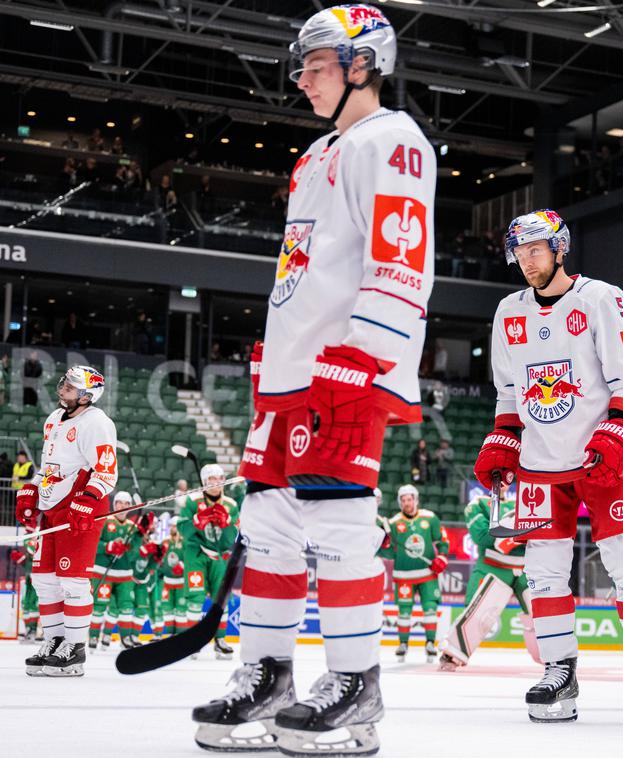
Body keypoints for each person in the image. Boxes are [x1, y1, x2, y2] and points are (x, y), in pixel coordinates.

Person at [192, 7, 435, 754]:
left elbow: (400, 260)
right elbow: (304, 275)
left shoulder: (393, 141)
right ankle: (267, 674)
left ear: (362, 65)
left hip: (345, 370)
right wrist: (277, 363)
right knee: (267, 528)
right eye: (300, 66)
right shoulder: (314, 156)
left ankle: (357, 686)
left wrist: (363, 358)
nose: (301, 78)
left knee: (336, 526)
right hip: (294, 374)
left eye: (317, 64)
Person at [473, 207, 623, 723]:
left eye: (536, 250)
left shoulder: (600, 298)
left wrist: (618, 430)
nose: (527, 261)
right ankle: (559, 672)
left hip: (602, 456)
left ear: (560, 248)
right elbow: (509, 392)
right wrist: (501, 439)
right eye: (520, 253)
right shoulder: (508, 311)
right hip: (539, 465)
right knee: (543, 574)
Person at [16, 365, 118, 677]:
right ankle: (55, 640)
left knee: (73, 581)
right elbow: (48, 468)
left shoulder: (97, 423)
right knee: (44, 580)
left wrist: (87, 500)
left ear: (88, 395)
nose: (63, 388)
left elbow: (106, 471)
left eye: (71, 386)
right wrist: (31, 488)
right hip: (52, 510)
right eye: (64, 383)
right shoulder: (53, 420)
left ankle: (74, 650)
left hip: (81, 510)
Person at [438, 489, 538, 670]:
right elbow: (481, 536)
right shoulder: (478, 503)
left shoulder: (521, 504)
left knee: (542, 613)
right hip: (493, 564)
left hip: (527, 567)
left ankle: (554, 657)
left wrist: (510, 533)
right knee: (477, 612)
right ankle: (452, 654)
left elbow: (539, 534)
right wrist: (516, 532)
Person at [377, 485, 448, 662]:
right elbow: (390, 552)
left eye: (409, 499)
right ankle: (403, 644)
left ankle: (430, 643)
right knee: (404, 611)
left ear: (415, 500)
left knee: (430, 608)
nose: (407, 503)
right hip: (404, 576)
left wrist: (442, 557)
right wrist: (384, 545)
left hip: (427, 574)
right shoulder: (393, 523)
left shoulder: (430, 518)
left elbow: (442, 540)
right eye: (403, 500)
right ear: (399, 502)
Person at [179, 463, 239, 660]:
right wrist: (196, 522)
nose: (215, 483)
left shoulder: (230, 504)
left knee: (221, 600)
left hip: (219, 557)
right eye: (211, 479)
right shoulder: (192, 500)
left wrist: (227, 523)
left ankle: (220, 640)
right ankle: (191, 641)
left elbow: (233, 537)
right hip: (196, 554)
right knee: (195, 599)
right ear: (204, 482)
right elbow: (183, 529)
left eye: (219, 478)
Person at [88, 493, 151, 651]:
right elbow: (92, 544)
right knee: (99, 606)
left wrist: (140, 536)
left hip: (124, 574)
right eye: (119, 503)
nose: (122, 507)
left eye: (126, 503)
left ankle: (125, 638)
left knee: (126, 607)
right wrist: (108, 547)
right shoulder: (103, 521)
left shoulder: (133, 527)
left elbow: (133, 554)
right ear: (114, 505)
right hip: (103, 572)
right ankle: (94, 635)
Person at [158, 528, 188, 637]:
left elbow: (191, 558)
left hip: (181, 582)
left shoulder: (185, 543)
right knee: (167, 609)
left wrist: (183, 566)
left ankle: (181, 636)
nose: (173, 528)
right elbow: (158, 559)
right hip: (167, 582)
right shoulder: (165, 543)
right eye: (171, 526)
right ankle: (170, 634)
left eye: (175, 526)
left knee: (181, 610)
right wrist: (160, 570)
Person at [11, 536, 42, 642]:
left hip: (38, 579)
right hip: (29, 578)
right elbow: (28, 563)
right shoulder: (30, 547)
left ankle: (34, 631)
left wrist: (29, 541)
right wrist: (20, 559)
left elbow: (31, 548)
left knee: (34, 605)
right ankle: (29, 629)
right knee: (25, 604)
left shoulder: (39, 544)